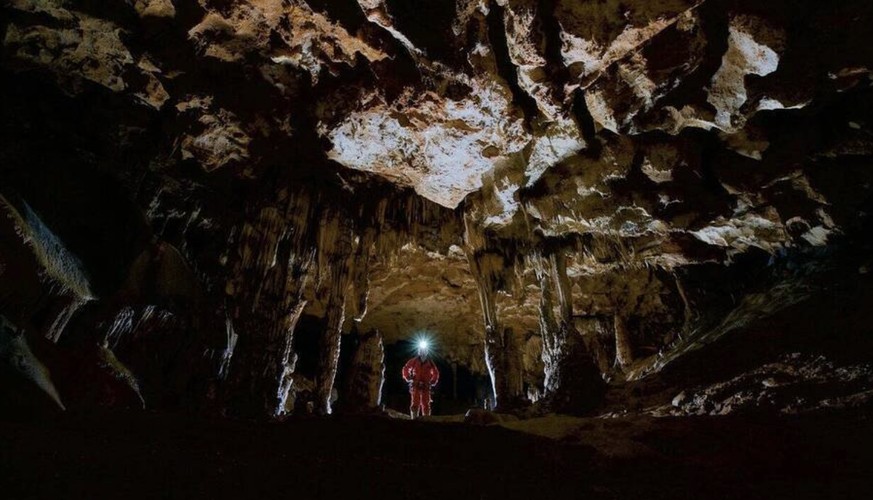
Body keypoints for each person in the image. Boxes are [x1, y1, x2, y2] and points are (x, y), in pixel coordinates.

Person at [402, 341, 440, 418]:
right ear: (419, 351)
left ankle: (426, 419)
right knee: (415, 402)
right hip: (416, 384)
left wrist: (433, 381)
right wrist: (408, 377)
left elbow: (436, 372)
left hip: (426, 385)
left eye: (424, 351)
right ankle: (414, 418)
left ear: (427, 352)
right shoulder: (414, 361)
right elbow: (406, 368)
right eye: (421, 350)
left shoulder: (430, 362)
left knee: (425, 403)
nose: (423, 352)